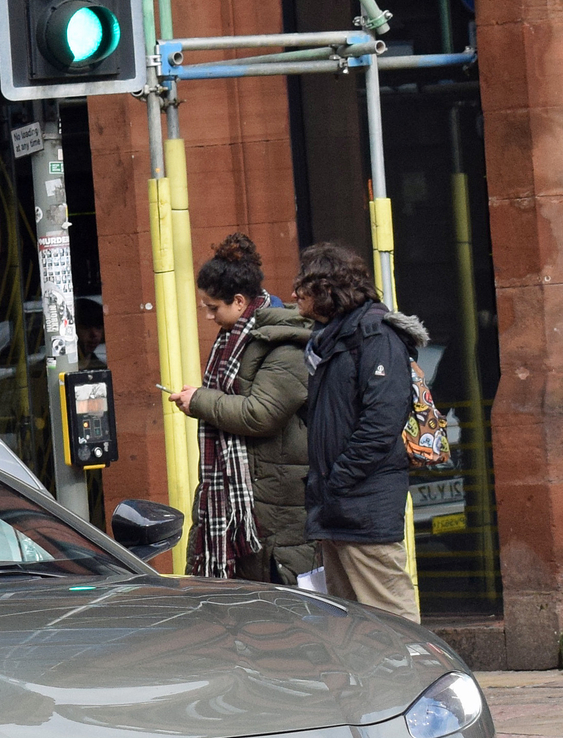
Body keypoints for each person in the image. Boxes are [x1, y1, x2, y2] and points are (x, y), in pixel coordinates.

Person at [165, 233, 317, 583]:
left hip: (276, 503)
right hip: (249, 497)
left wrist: (201, 400)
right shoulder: (234, 339)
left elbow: (260, 414)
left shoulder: (284, 341)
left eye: (213, 307)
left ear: (237, 301)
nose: (208, 316)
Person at [293, 241, 427, 622]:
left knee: (392, 618)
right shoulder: (333, 340)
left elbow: (381, 423)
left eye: (302, 285)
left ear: (327, 289)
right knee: (352, 621)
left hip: (361, 504)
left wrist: (339, 479)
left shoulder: (375, 336)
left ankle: (420, 680)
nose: (294, 293)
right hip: (338, 505)